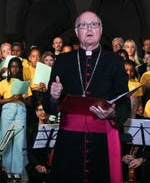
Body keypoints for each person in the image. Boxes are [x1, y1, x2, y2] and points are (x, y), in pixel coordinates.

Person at [45, 11, 130, 183]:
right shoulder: (62, 61)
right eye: (83, 25)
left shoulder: (114, 61)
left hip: (102, 139)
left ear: (101, 30)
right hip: (69, 141)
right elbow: (50, 106)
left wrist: (113, 114)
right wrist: (54, 97)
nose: (89, 29)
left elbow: (124, 102)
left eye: (94, 25)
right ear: (76, 32)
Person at [0, 57, 32, 177]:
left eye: (17, 66)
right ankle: (6, 170)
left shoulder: (24, 83)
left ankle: (17, 171)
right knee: (6, 138)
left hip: (21, 109)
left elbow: (30, 102)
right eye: (12, 66)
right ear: (9, 68)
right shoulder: (3, 82)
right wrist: (10, 99)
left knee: (19, 139)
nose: (15, 69)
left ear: (20, 68)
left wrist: (21, 98)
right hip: (8, 108)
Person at [26, 102, 50, 183]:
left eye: (45, 110)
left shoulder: (54, 129)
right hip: (34, 163)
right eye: (40, 110)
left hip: (48, 162)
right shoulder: (30, 130)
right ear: (36, 113)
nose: (43, 112)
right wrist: (37, 165)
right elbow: (29, 150)